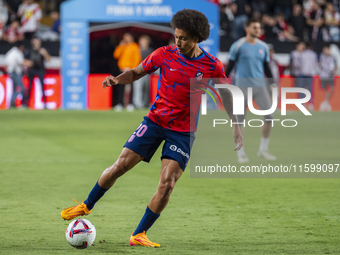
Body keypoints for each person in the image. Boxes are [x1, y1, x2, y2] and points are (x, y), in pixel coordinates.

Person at [60, 9, 243, 247]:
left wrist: (236, 123)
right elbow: (137, 72)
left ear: (197, 38)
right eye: (176, 36)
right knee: (120, 166)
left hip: (183, 132)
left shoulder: (212, 65)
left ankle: (139, 234)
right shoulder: (164, 54)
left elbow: (226, 95)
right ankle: (86, 205)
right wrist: (117, 78)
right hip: (155, 121)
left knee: (167, 184)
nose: (177, 41)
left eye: (184, 38)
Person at [225, 18, 277, 163]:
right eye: (255, 27)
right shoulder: (238, 45)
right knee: (240, 121)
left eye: (259, 28)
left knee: (269, 116)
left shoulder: (264, 47)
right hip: (242, 86)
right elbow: (229, 67)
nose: (258, 30)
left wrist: (273, 84)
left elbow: (267, 68)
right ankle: (240, 153)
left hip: (260, 86)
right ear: (247, 28)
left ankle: (263, 149)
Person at [113, 33, 141, 112]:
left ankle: (130, 104)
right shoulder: (123, 46)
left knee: (131, 87)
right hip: (122, 69)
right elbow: (116, 55)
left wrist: (132, 68)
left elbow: (137, 58)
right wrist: (120, 46)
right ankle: (120, 103)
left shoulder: (134, 46)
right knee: (121, 87)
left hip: (130, 69)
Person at [23, 37, 51, 108]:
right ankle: (26, 103)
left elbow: (48, 60)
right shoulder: (29, 51)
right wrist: (28, 63)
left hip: (40, 70)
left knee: (42, 87)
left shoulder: (42, 51)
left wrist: (45, 54)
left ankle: (44, 104)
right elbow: (24, 61)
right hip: (32, 70)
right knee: (29, 87)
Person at [4, 41, 30, 108]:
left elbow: (6, 62)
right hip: (15, 72)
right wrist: (30, 63)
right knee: (21, 88)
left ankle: (12, 103)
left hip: (10, 72)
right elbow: (21, 62)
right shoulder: (17, 53)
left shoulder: (11, 52)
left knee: (15, 88)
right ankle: (12, 102)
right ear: (21, 47)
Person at [133, 35, 153, 109]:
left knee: (146, 88)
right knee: (138, 88)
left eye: (145, 41)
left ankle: (145, 103)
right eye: (142, 41)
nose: (144, 43)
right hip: (138, 71)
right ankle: (137, 103)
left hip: (147, 72)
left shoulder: (150, 50)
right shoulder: (136, 50)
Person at [299, 42, 318, 111]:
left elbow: (300, 64)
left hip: (303, 73)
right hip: (310, 74)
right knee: (310, 89)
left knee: (302, 90)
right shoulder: (314, 54)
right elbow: (315, 64)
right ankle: (311, 104)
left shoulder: (302, 54)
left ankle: (302, 104)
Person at [319, 45, 337, 111]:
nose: (325, 51)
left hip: (330, 75)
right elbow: (322, 65)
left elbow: (335, 65)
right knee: (325, 90)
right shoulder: (322, 56)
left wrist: (334, 71)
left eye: (326, 50)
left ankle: (326, 101)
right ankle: (326, 103)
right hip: (324, 75)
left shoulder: (333, 57)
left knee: (332, 89)